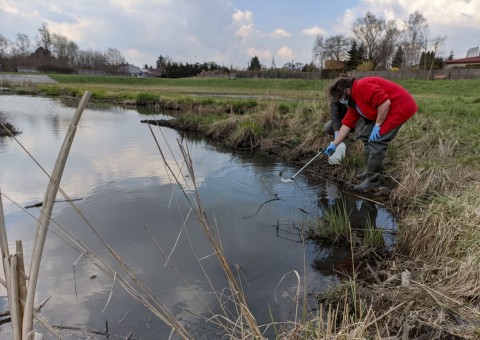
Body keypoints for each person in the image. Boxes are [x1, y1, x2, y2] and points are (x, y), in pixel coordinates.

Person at [323, 76, 418, 191]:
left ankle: (373, 180)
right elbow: (347, 124)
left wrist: (377, 125)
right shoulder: (353, 101)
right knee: (365, 135)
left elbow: (385, 103)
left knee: (377, 141)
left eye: (340, 97)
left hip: (399, 108)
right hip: (385, 111)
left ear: (346, 91)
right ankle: (370, 171)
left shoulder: (363, 86)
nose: (340, 101)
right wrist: (334, 144)